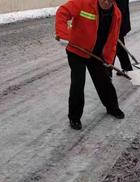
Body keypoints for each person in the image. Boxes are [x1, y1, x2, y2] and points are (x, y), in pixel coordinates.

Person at [55, 0, 125, 130]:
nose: (105, 2)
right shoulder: (84, 2)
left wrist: (108, 60)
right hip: (77, 51)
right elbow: (62, 12)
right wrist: (63, 34)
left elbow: (112, 39)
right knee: (78, 82)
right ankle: (74, 117)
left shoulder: (116, 14)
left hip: (95, 54)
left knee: (104, 80)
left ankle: (112, 107)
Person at [115, 0, 133, 74]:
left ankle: (107, 72)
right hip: (119, 24)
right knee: (118, 47)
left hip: (118, 24)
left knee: (115, 47)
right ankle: (127, 67)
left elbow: (120, 10)